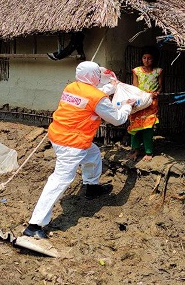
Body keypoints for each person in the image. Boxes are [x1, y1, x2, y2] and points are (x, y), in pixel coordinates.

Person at [23, 61, 136, 239]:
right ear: (93, 77)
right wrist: (128, 105)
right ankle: (35, 225)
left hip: (59, 135)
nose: (99, 76)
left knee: (93, 154)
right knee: (60, 180)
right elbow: (117, 119)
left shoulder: (72, 87)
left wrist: (111, 87)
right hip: (72, 143)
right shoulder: (96, 97)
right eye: (97, 74)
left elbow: (92, 98)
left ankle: (91, 186)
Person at [127, 46, 163, 161]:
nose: (146, 60)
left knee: (148, 127)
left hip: (151, 102)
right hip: (139, 101)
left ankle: (148, 152)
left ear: (154, 60)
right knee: (136, 125)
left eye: (149, 58)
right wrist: (138, 99)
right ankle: (135, 150)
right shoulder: (136, 71)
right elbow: (135, 87)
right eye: (144, 58)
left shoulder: (158, 71)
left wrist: (156, 93)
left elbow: (160, 86)